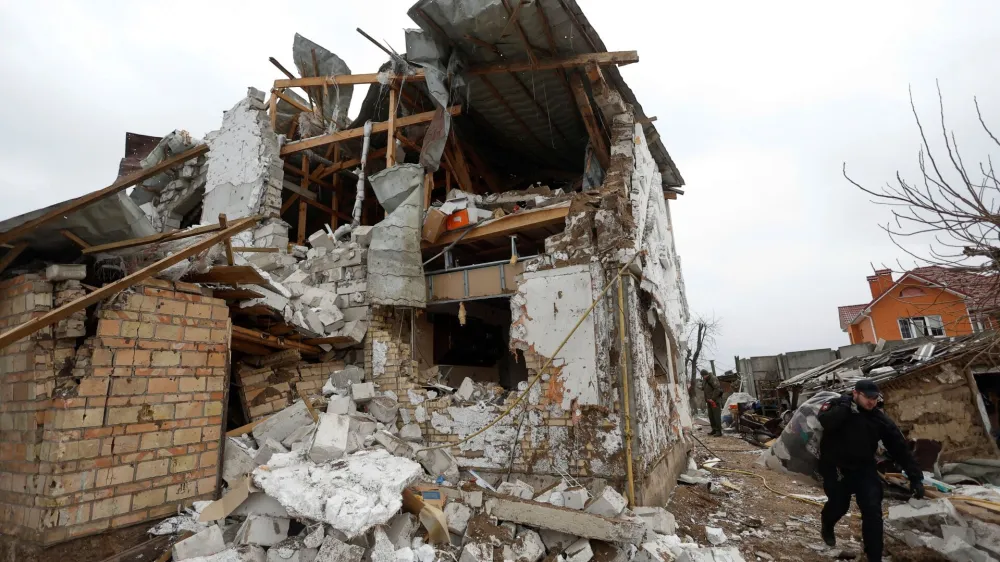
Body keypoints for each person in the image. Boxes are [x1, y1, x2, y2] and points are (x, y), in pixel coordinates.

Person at [817, 379, 924, 562]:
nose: (872, 402)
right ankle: (827, 524)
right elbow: (826, 422)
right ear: (855, 393)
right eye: (868, 397)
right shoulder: (837, 405)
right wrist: (845, 406)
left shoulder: (878, 419)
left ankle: (874, 557)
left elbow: (899, 448)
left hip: (863, 468)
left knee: (873, 511)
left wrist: (915, 477)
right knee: (839, 505)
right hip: (836, 467)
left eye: (875, 398)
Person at [701, 369, 723, 437]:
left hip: (715, 400)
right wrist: (700, 387)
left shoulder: (713, 378)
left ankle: (718, 431)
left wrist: (712, 398)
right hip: (708, 400)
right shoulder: (704, 380)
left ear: (707, 374)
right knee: (711, 416)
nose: (704, 377)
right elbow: (704, 388)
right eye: (703, 376)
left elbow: (717, 389)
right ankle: (714, 429)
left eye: (705, 375)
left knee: (716, 416)